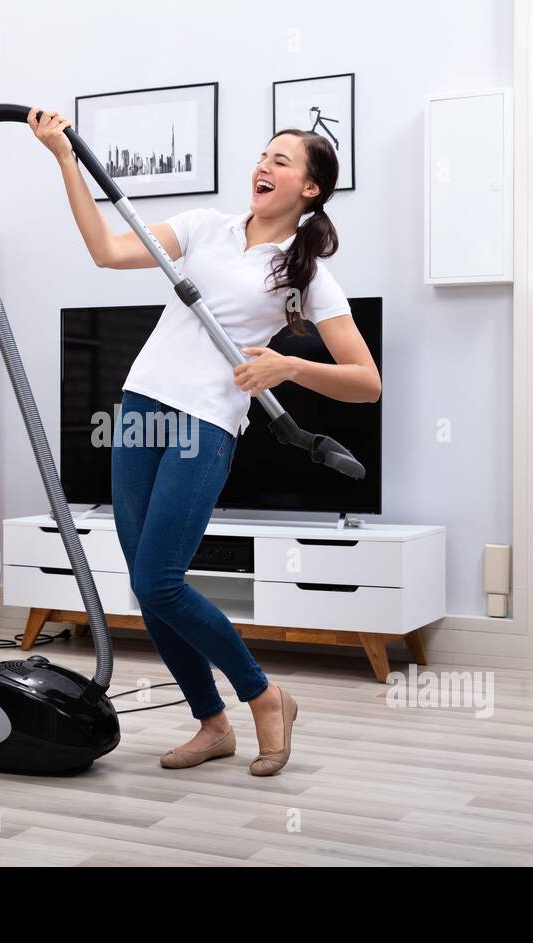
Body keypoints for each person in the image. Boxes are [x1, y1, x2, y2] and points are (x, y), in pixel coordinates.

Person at [29, 107, 381, 775]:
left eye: (281, 160)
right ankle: (211, 722)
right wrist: (63, 160)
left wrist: (287, 366)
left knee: (161, 583)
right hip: (140, 409)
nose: (263, 166)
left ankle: (265, 695)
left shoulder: (303, 272)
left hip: (205, 424)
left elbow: (366, 382)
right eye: (263, 155)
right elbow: (106, 250)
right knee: (144, 585)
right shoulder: (203, 228)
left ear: (310, 188)